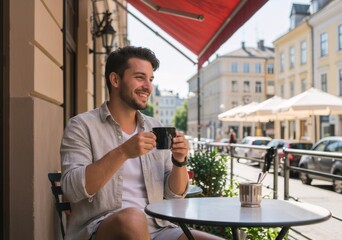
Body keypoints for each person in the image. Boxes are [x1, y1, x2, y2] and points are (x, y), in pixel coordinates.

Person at [60, 46, 223, 240]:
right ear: (115, 80)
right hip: (101, 228)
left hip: (158, 227)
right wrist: (123, 153)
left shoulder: (155, 127)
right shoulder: (82, 126)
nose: (148, 86)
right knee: (132, 218)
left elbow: (175, 195)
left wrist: (179, 161)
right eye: (140, 77)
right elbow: (71, 189)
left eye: (150, 79)